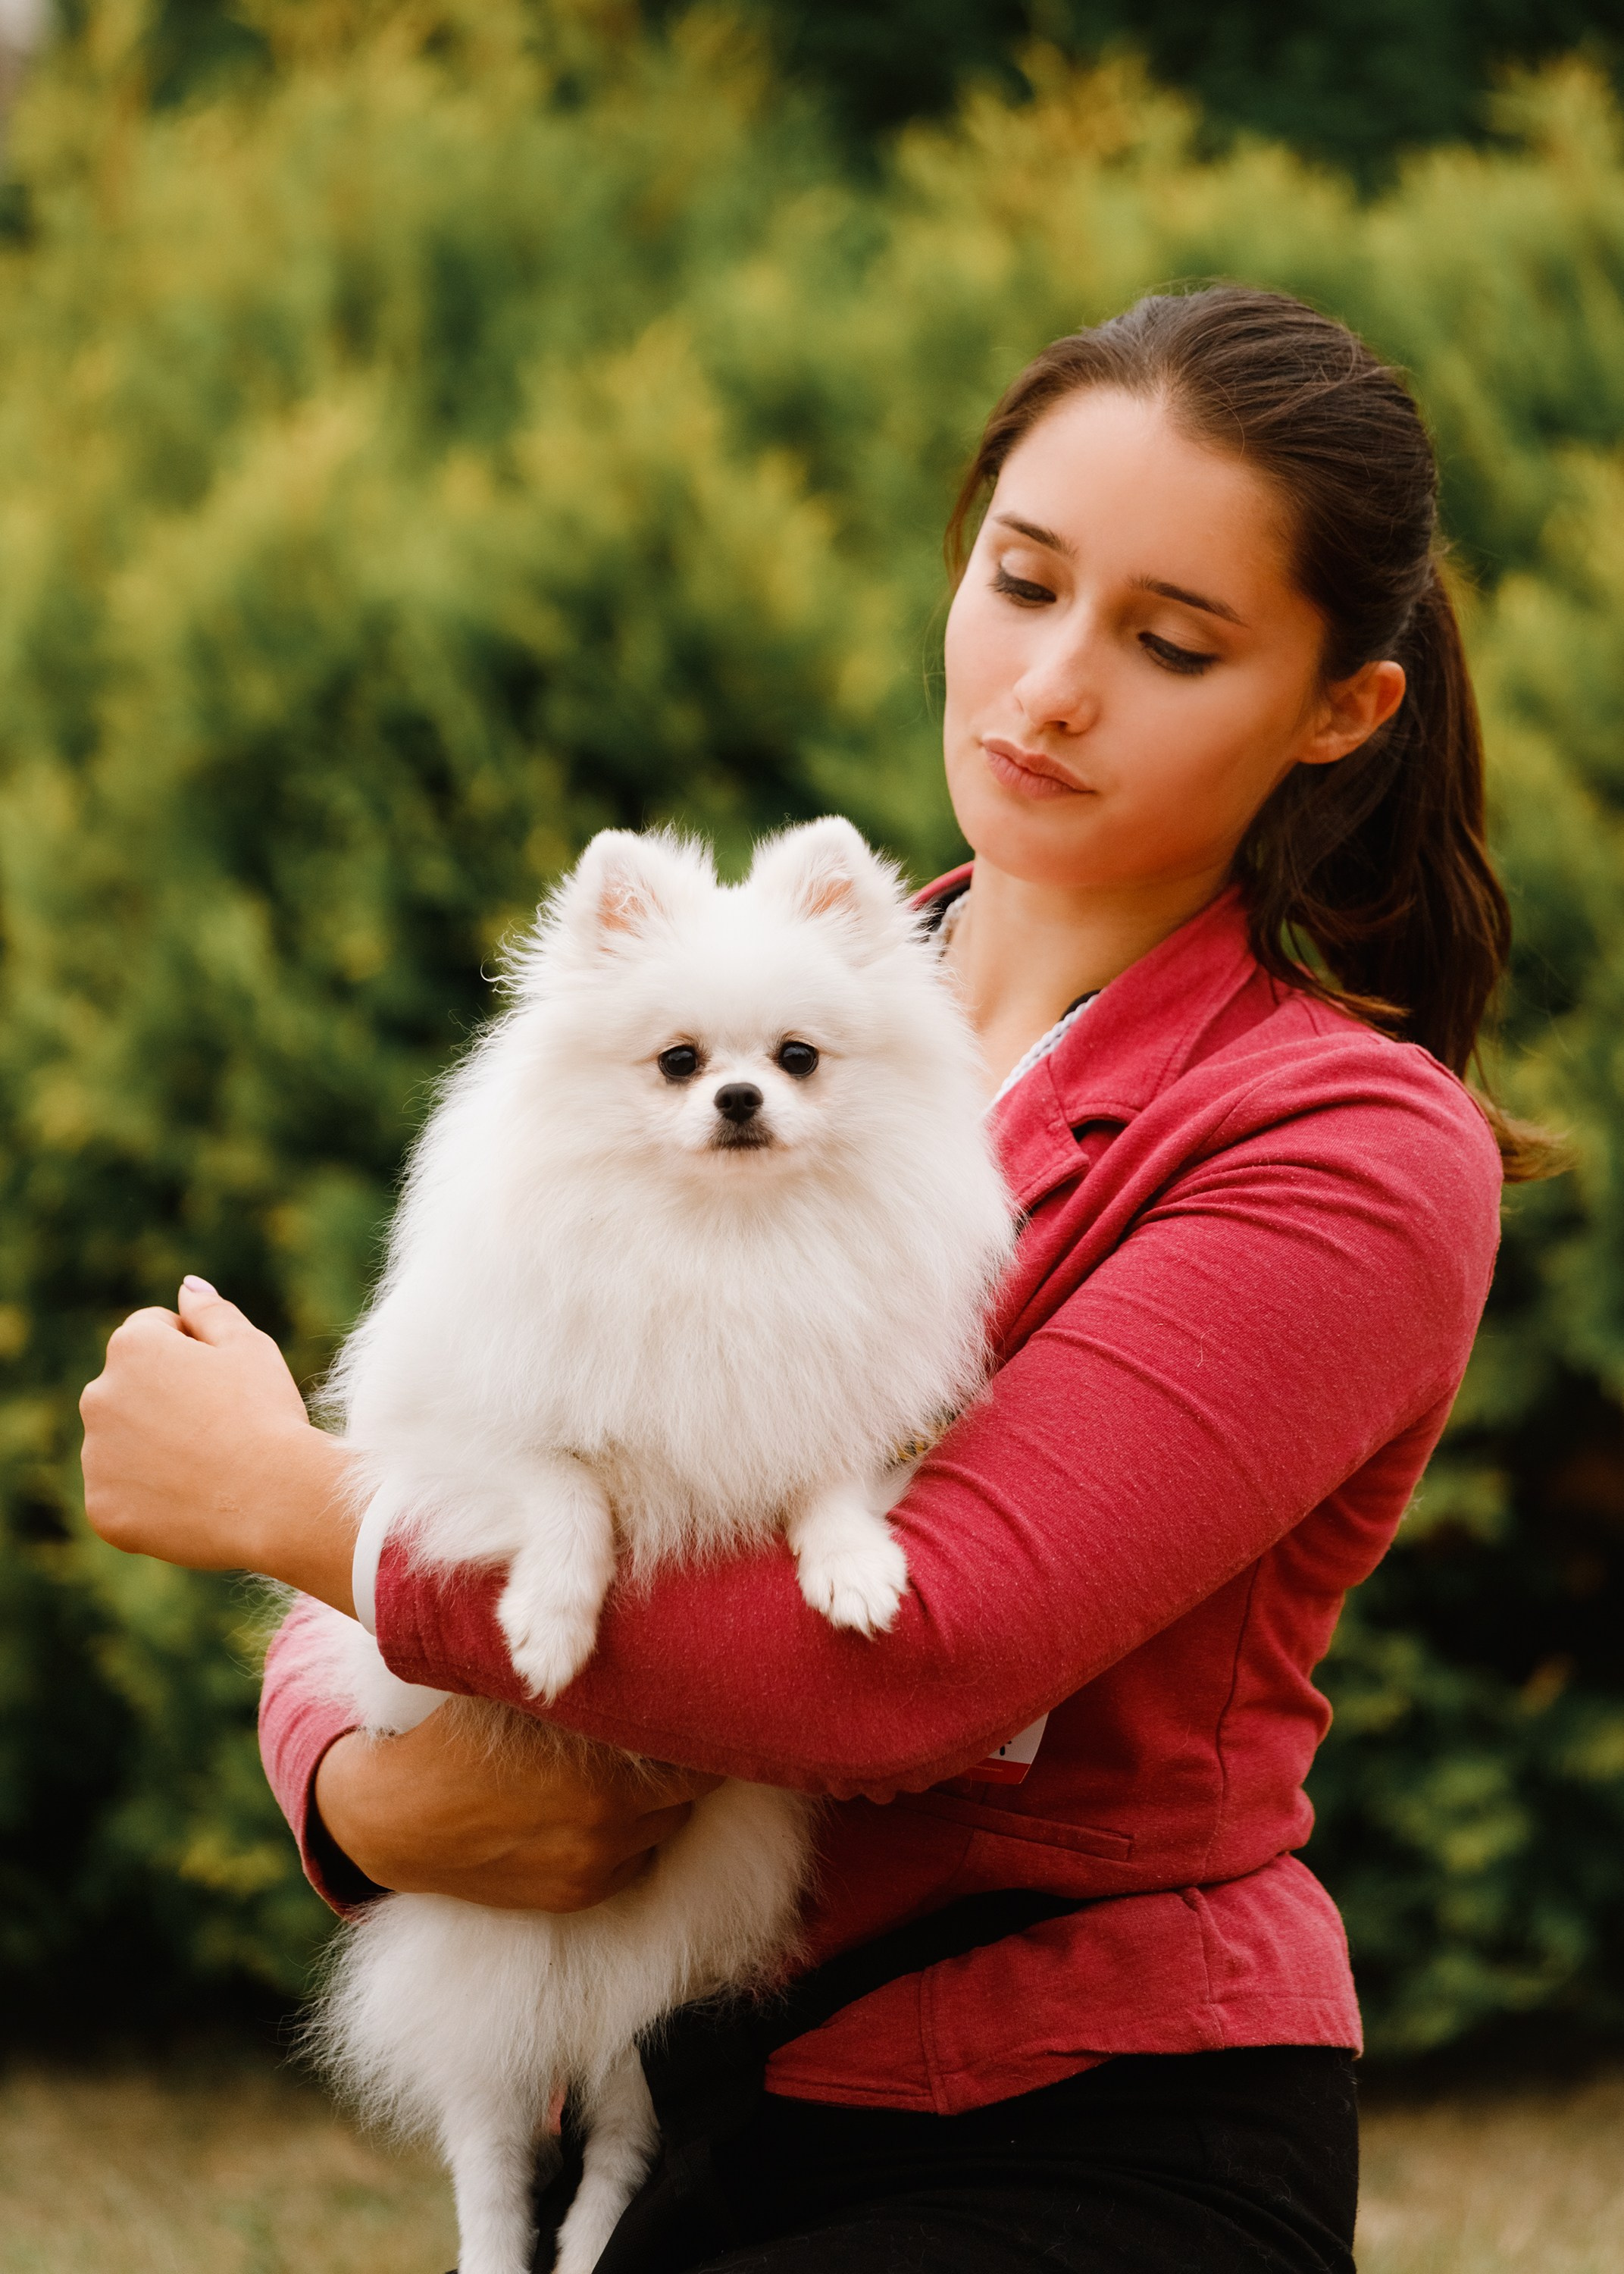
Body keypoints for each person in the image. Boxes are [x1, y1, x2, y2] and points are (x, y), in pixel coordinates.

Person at [79, 284, 1551, 2272]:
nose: (1047, 688)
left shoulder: (1345, 1152)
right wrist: (359, 1795)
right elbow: (452, 1405)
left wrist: (277, 1499)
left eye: (1169, 643)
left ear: (1337, 710)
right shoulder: (747, 1004)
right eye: (1021, 583)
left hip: (1066, 2133)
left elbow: (914, 1658)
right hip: (671, 2093)